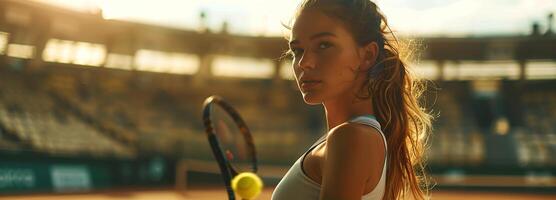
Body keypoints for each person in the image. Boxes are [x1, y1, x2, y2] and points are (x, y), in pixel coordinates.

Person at [271, 0, 434, 199]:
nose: (305, 63)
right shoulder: (353, 136)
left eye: (324, 45)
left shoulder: (350, 137)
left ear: (367, 55)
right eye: (297, 50)